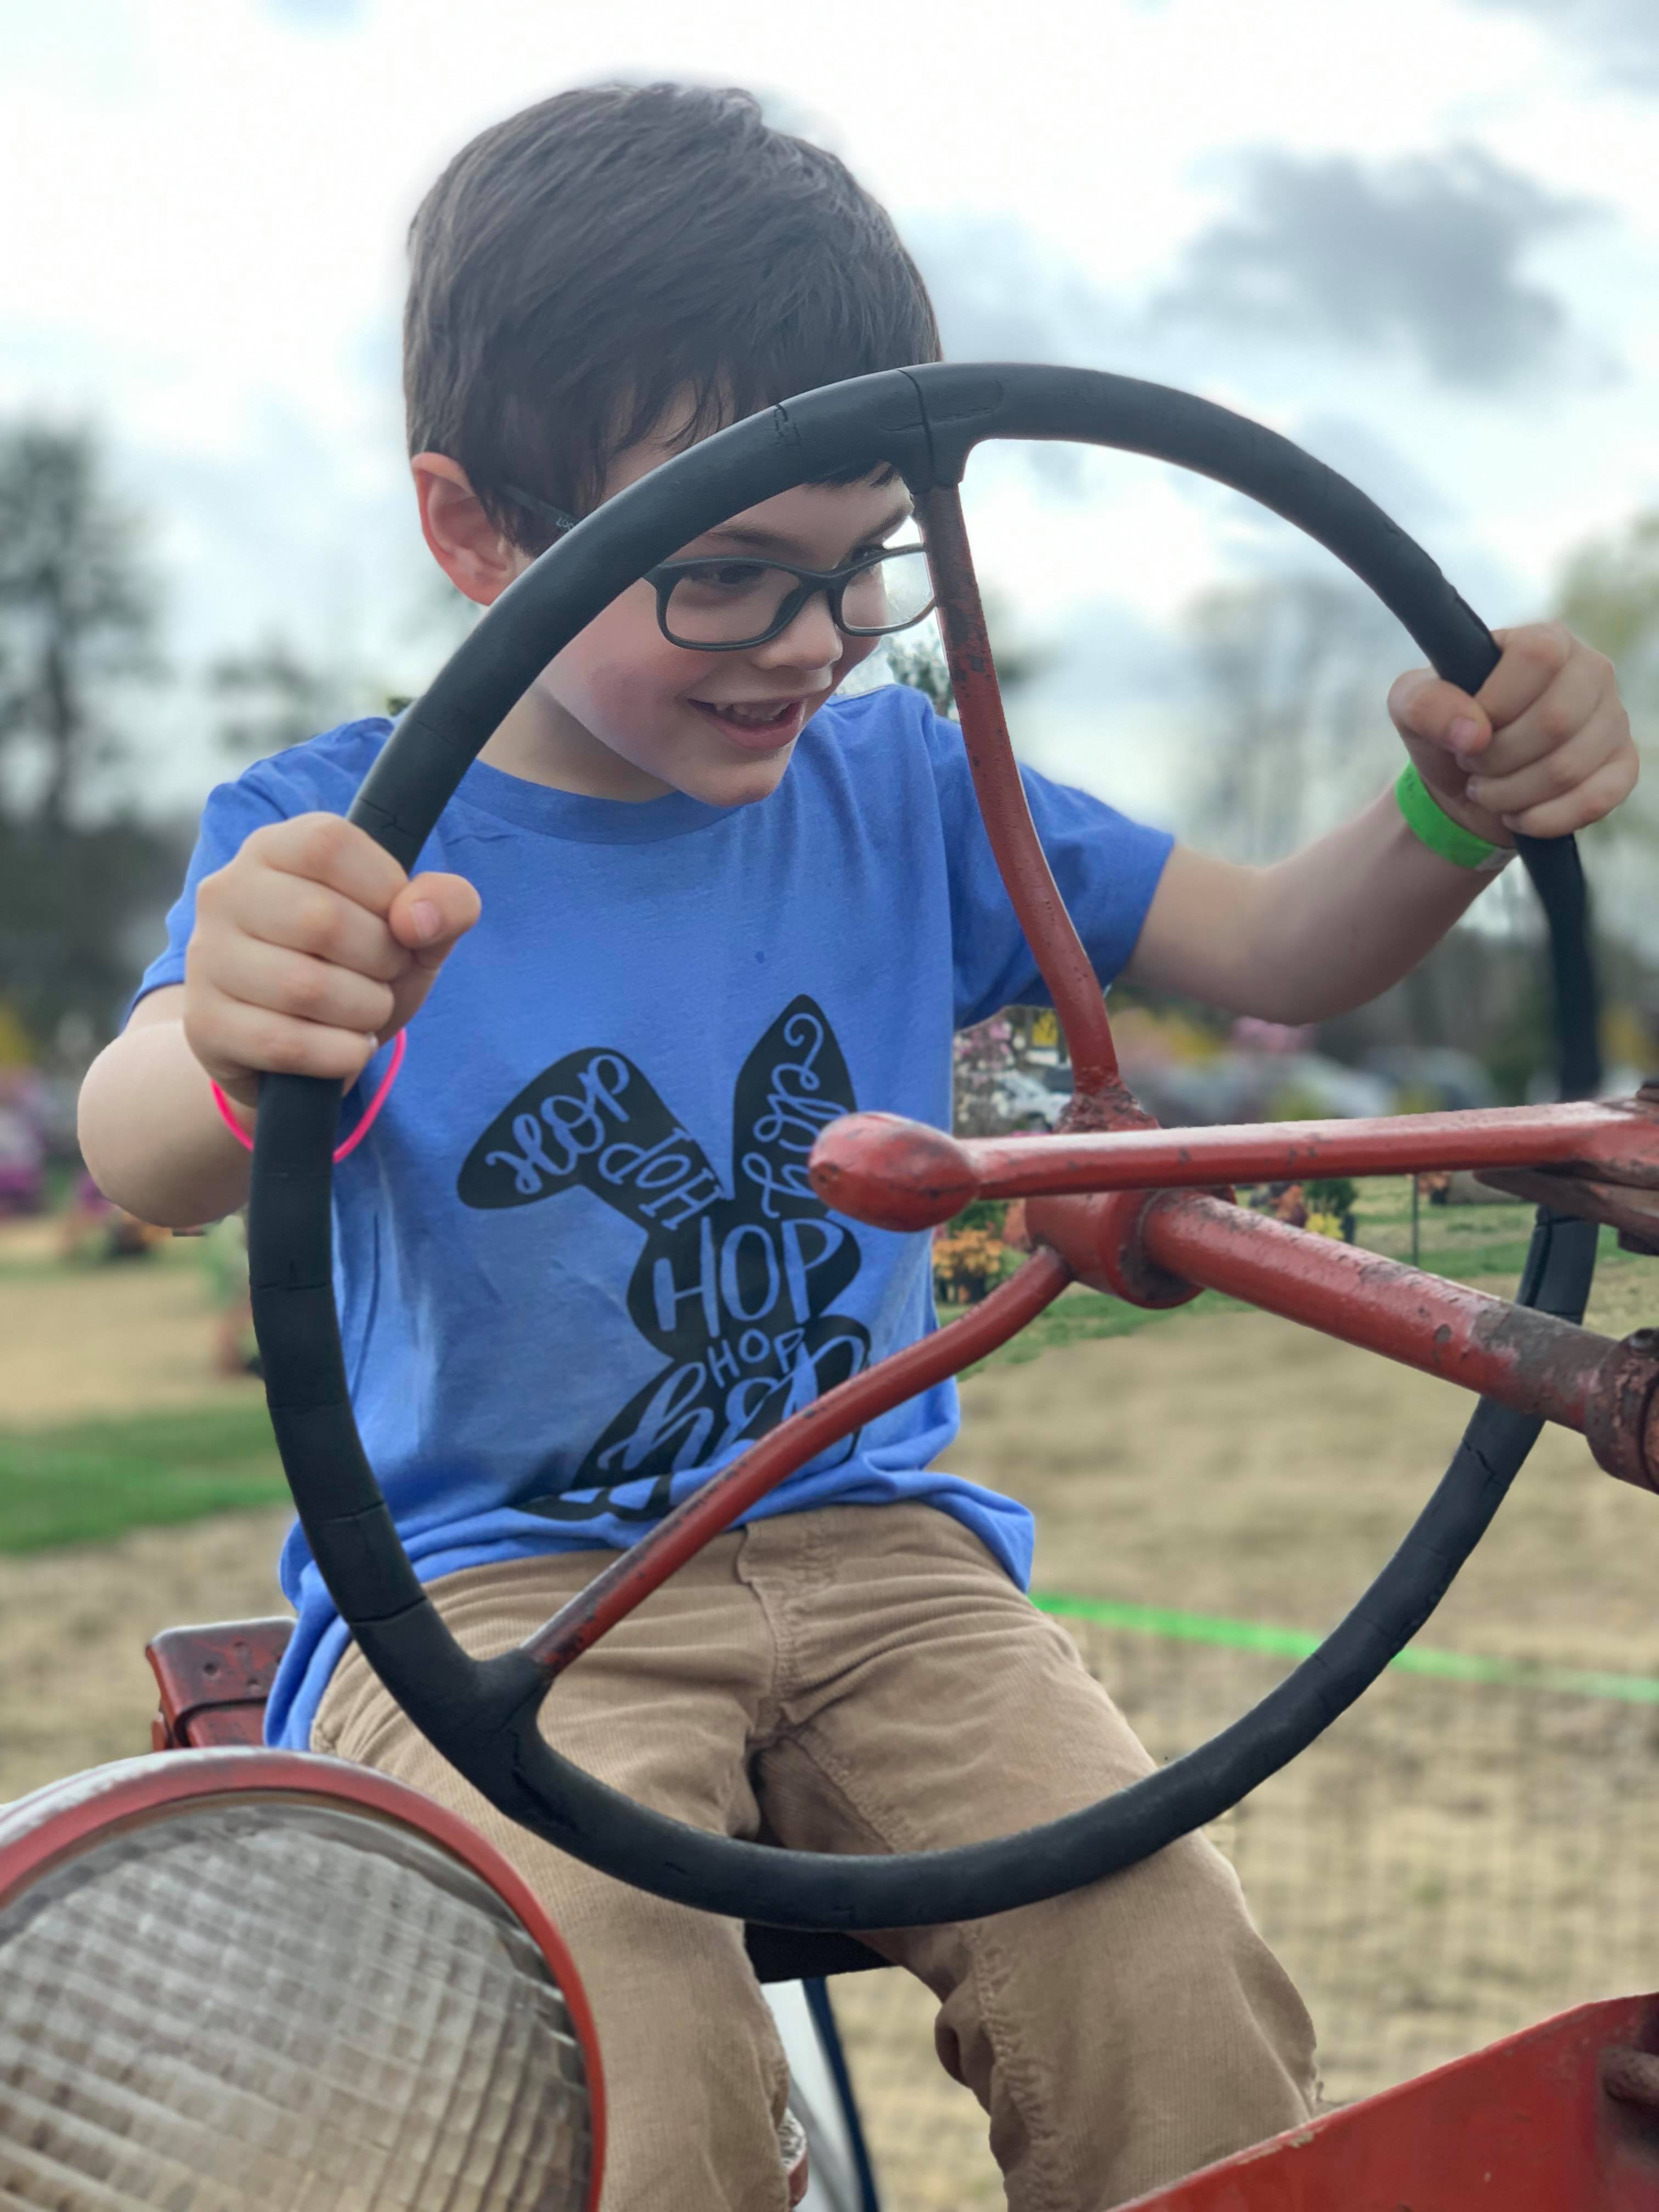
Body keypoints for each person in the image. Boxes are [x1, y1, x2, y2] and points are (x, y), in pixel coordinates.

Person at [78, 83, 1637, 2212]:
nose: (812, 642)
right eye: (727, 576)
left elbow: (1284, 946)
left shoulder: (910, 785)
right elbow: (145, 1148)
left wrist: (1458, 810)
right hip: (498, 1595)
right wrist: (240, 1027)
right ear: (477, 531)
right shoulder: (336, 842)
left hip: (878, 1549)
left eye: (858, 566)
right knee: (618, 2070)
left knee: (1170, 1976)